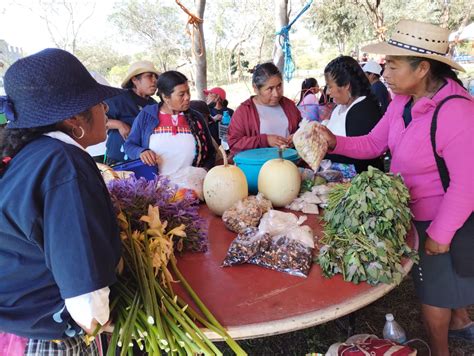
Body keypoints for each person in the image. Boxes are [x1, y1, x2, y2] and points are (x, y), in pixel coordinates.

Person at [319, 20, 474, 356]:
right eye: (385, 63)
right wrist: (333, 141)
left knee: (434, 290)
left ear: (422, 68)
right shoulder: (401, 102)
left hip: (440, 219)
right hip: (412, 211)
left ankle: (441, 348)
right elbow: (374, 144)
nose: (383, 71)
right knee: (442, 284)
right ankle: (461, 322)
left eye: (392, 64)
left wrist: (440, 233)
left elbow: (466, 183)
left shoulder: (456, 112)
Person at [0, 48, 123, 355]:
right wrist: (101, 317)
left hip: (16, 325)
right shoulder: (64, 164)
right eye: (96, 102)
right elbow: (88, 307)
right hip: (47, 336)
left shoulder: (33, 155)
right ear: (72, 118)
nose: (105, 108)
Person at [124, 70, 215, 176]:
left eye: (188, 92)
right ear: (165, 97)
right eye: (181, 94)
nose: (187, 97)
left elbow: (211, 153)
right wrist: (141, 152)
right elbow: (129, 145)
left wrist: (203, 172)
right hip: (157, 188)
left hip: (192, 188)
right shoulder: (147, 116)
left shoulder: (196, 118)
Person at [324, 55, 384, 173]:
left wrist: (321, 150)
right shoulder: (340, 107)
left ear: (346, 85)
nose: (327, 92)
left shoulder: (363, 111)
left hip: (358, 183)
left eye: (330, 86)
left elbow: (358, 153)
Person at [227, 62, 301, 155]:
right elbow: (234, 144)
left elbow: (302, 128)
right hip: (259, 167)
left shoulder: (289, 105)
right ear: (255, 88)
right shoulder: (244, 112)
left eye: (279, 86)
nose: (276, 94)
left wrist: (297, 137)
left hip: (289, 163)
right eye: (270, 89)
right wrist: (265, 140)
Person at [104, 60, 159, 165]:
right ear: (135, 80)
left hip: (144, 161)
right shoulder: (118, 98)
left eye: (155, 77)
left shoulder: (154, 105)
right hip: (118, 162)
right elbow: (98, 122)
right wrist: (119, 124)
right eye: (149, 76)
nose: (154, 81)